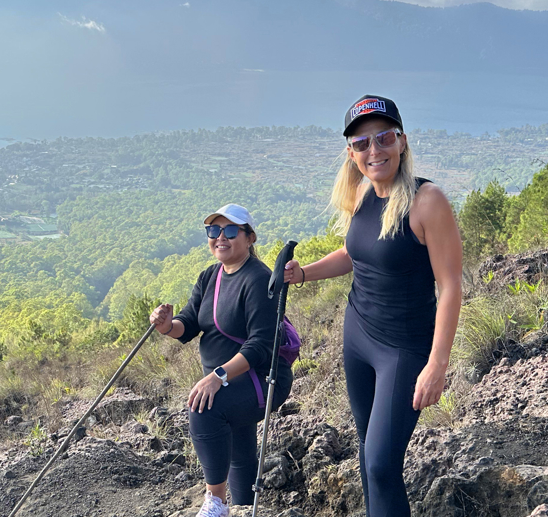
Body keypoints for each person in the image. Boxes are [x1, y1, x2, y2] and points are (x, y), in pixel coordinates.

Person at [283, 95, 462, 517]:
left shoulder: (427, 201)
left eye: (382, 138)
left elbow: (451, 285)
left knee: (381, 463)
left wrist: (437, 364)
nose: (374, 150)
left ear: (401, 140)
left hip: (404, 348)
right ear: (351, 153)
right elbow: (353, 254)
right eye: (362, 144)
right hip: (358, 336)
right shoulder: (362, 194)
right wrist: (303, 272)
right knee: (367, 458)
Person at [149, 204, 293, 517]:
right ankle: (240, 508)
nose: (220, 237)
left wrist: (218, 377)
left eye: (230, 231)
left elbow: (260, 346)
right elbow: (188, 324)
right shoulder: (210, 276)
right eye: (214, 231)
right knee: (239, 455)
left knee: (204, 408)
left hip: (260, 381)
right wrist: (166, 326)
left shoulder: (259, 280)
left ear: (249, 238)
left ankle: (215, 502)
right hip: (229, 383)